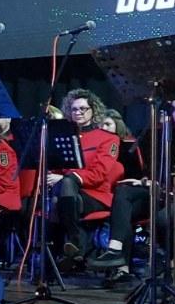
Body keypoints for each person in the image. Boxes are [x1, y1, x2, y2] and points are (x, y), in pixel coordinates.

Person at [91, 99, 175, 273]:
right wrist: (144, 181)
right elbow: (152, 172)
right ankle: (117, 256)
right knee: (123, 194)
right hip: (160, 191)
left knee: (156, 218)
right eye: (174, 109)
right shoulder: (160, 137)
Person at [45, 88, 123, 264]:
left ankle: (72, 245)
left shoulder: (108, 138)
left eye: (83, 109)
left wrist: (67, 177)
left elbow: (99, 174)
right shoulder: (66, 137)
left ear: (93, 111)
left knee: (62, 191)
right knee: (55, 198)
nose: (78, 112)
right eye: (74, 109)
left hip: (96, 194)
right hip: (68, 194)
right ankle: (66, 254)